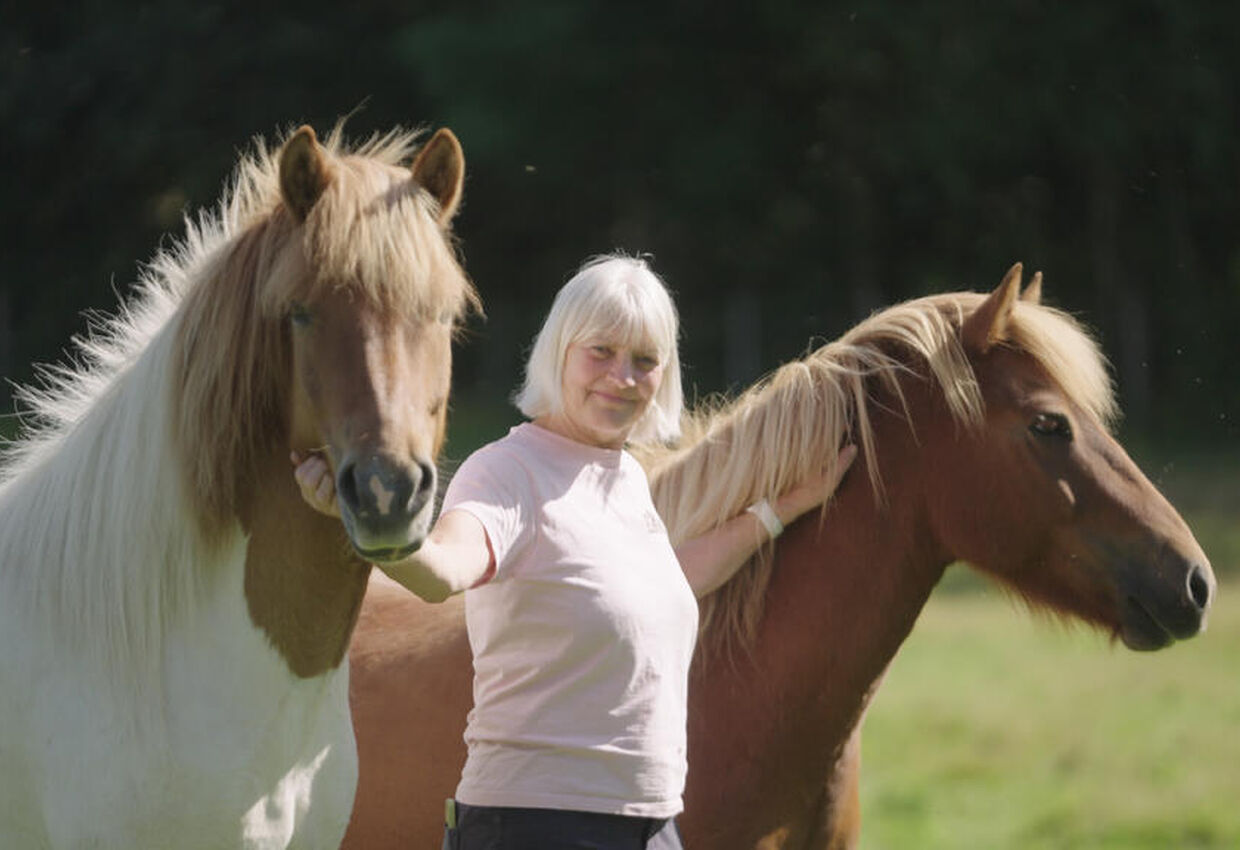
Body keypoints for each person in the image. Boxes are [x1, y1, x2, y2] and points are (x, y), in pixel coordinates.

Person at [293, 254, 856, 850]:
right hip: (539, 823)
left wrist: (777, 513)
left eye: (644, 361)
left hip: (651, 825)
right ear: (560, 349)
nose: (622, 376)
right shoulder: (508, 472)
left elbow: (666, 581)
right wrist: (377, 527)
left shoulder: (625, 481)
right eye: (601, 352)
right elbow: (446, 570)